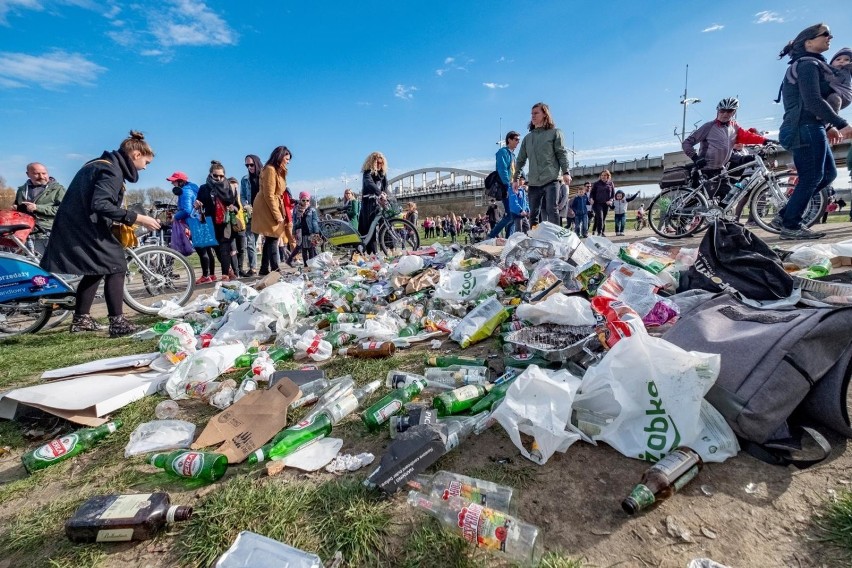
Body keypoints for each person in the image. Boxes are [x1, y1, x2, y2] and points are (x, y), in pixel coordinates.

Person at [40, 130, 160, 337]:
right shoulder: (112, 170)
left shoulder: (101, 163)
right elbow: (100, 203)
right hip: (85, 226)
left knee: (96, 269)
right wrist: (137, 218)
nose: (145, 168)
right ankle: (117, 323)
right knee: (116, 266)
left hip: (76, 224)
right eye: (147, 163)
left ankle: (81, 319)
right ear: (136, 155)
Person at [776, 24, 852, 240]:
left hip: (810, 126)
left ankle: (784, 216)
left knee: (828, 174)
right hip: (804, 127)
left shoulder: (815, 64)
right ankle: (791, 226)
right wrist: (840, 124)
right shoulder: (807, 64)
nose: (830, 37)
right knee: (812, 176)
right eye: (825, 34)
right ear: (809, 42)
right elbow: (812, 101)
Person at [682, 97, 767, 202]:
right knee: (698, 202)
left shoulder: (734, 127)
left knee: (727, 200)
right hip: (704, 170)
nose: (725, 114)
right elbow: (686, 143)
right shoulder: (708, 127)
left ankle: (722, 218)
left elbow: (748, 136)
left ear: (734, 112)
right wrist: (695, 158)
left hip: (721, 170)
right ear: (718, 110)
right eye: (722, 111)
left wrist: (765, 141)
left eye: (730, 111)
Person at [513, 103, 572, 226]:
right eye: (531, 114)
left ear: (545, 114)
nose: (533, 116)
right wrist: (515, 178)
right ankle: (534, 238)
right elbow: (520, 160)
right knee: (533, 214)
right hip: (534, 181)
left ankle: (555, 239)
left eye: (536, 113)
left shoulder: (555, 133)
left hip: (551, 179)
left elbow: (561, 153)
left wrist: (566, 172)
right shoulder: (528, 138)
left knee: (552, 209)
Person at [252, 146, 292, 274]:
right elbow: (269, 195)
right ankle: (275, 268)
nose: (288, 162)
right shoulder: (270, 170)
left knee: (270, 238)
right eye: (286, 159)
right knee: (274, 237)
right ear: (280, 157)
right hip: (267, 206)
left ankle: (264, 269)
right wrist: (277, 214)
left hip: (270, 204)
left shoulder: (277, 170)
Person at [196, 161, 236, 281]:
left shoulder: (230, 187)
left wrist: (233, 208)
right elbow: (198, 204)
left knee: (224, 247)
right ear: (210, 174)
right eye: (215, 176)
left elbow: (236, 205)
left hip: (226, 221)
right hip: (210, 221)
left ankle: (224, 275)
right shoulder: (204, 188)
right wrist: (197, 204)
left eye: (221, 176)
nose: (219, 178)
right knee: (216, 247)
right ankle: (228, 269)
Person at [14, 162, 66, 255]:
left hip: (48, 234)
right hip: (26, 234)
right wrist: (15, 209)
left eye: (44, 173)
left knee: (46, 265)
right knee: (28, 265)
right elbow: (18, 209)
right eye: (36, 173)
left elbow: (64, 210)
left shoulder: (58, 189)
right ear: (28, 174)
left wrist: (37, 208)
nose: (41, 176)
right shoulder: (21, 190)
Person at [489, 131, 520, 239]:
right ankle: (491, 235)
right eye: (516, 139)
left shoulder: (513, 155)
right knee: (511, 215)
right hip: (506, 187)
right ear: (509, 140)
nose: (518, 142)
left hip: (513, 187)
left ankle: (508, 238)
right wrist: (508, 184)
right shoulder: (503, 152)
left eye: (518, 140)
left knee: (513, 214)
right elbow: (502, 170)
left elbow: (516, 170)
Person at [358, 151, 389, 254]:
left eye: (381, 163)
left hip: (379, 203)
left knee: (386, 223)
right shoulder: (367, 173)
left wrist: (385, 195)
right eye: (377, 163)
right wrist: (379, 193)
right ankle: (372, 252)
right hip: (369, 204)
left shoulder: (383, 175)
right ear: (372, 163)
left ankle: (389, 248)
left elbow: (385, 188)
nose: (379, 165)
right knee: (369, 228)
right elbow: (370, 183)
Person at [239, 154, 263, 276]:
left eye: (251, 164)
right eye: (247, 165)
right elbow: (242, 195)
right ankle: (253, 268)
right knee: (250, 241)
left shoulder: (264, 176)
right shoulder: (244, 179)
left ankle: (270, 266)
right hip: (251, 212)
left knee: (269, 241)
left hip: (264, 213)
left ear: (257, 163)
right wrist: (245, 205)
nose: (249, 167)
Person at [293, 191, 321, 267]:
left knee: (312, 249)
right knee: (304, 250)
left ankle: (311, 266)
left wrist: (316, 232)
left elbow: (315, 221)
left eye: (307, 200)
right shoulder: (296, 210)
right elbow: (294, 222)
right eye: (303, 200)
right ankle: (306, 265)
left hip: (311, 232)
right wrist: (294, 232)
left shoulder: (312, 210)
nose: (305, 202)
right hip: (301, 233)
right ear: (300, 200)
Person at [228, 176, 248, 274]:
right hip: (230, 227)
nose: (233, 185)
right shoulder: (227, 197)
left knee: (241, 249)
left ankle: (240, 268)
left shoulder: (241, 198)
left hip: (241, 227)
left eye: (235, 183)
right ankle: (235, 271)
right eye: (231, 183)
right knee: (233, 250)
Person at [589, 170, 615, 236]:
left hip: (606, 204)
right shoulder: (596, 184)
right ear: (600, 176)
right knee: (600, 217)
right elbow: (592, 193)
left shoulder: (610, 183)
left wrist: (611, 200)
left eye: (605, 175)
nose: (603, 177)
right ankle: (599, 233)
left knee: (603, 218)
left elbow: (613, 195)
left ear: (608, 176)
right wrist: (591, 199)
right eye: (602, 175)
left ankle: (602, 232)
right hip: (597, 203)